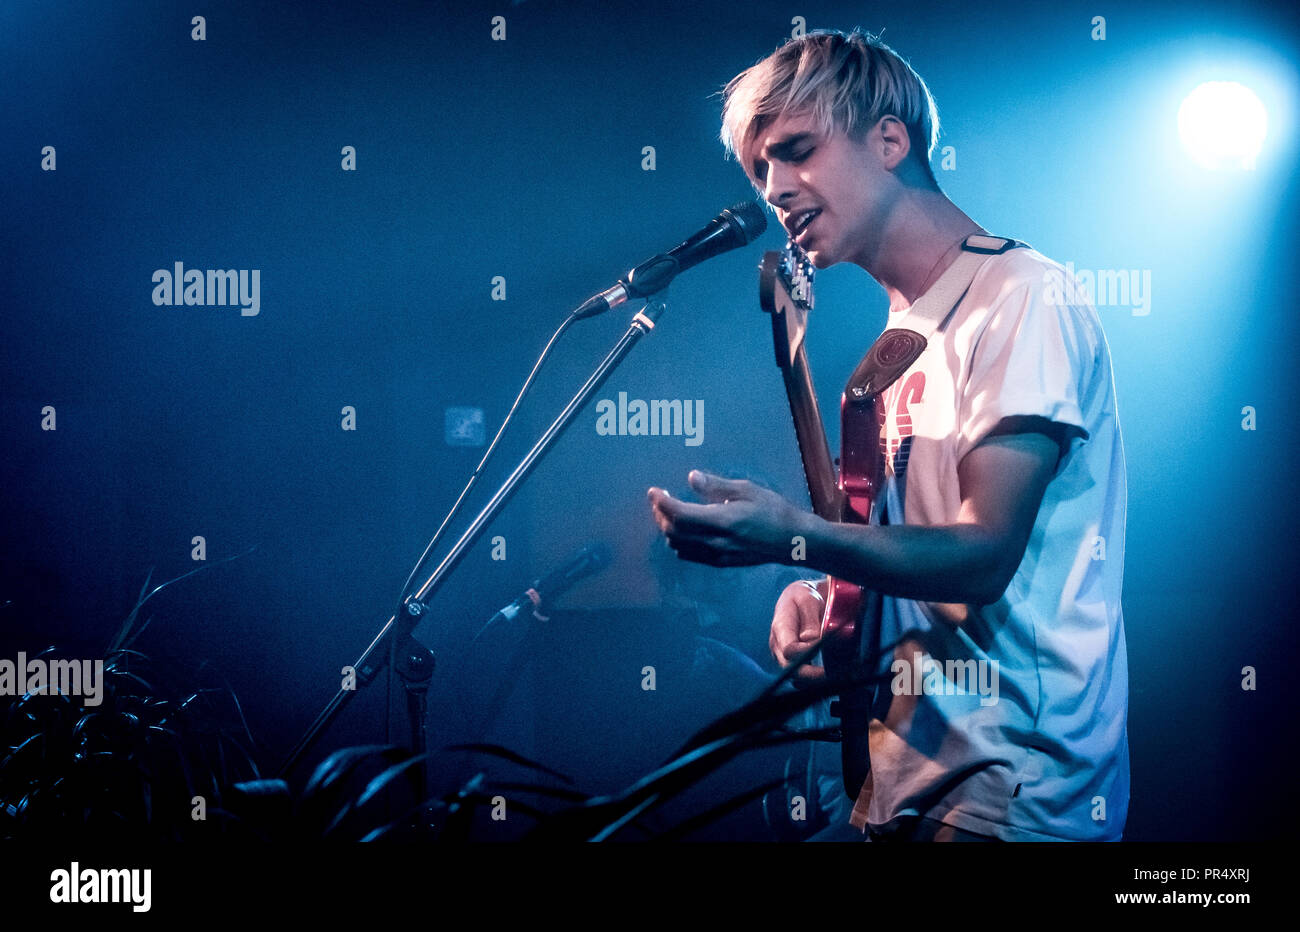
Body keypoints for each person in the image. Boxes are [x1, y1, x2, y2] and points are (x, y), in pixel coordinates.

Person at [647, 29, 1129, 842]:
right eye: (760, 171)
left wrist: (796, 537)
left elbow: (980, 557)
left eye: (796, 151)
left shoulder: (1020, 297)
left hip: (1010, 797)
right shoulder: (896, 341)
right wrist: (815, 589)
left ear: (890, 139)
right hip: (900, 783)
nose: (775, 188)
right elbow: (896, 550)